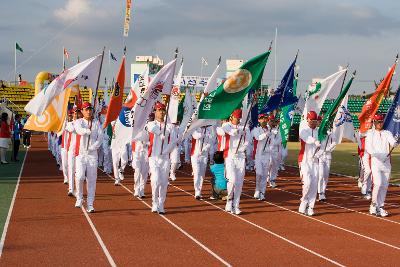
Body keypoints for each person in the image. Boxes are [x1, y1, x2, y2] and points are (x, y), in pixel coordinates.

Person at [365, 113, 398, 217]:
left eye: (381, 121)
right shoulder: (370, 133)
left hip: (387, 163)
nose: (380, 123)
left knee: (384, 186)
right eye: (378, 122)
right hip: (376, 162)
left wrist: (395, 143)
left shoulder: (387, 133)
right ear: (374, 122)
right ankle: (373, 205)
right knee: (378, 183)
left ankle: (380, 207)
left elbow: (392, 142)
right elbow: (368, 148)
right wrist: (379, 155)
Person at [73, 102, 104, 213]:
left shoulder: (96, 122)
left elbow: (100, 137)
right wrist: (87, 131)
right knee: (80, 176)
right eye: (86, 109)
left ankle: (90, 203)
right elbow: (79, 130)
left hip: (92, 155)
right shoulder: (78, 122)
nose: (89, 111)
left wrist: (93, 147)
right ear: (82, 111)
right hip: (81, 154)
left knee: (91, 180)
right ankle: (79, 198)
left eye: (90, 109)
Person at [220, 109, 250, 215]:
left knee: (239, 182)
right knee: (232, 180)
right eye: (237, 118)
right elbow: (228, 131)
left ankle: (236, 205)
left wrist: (243, 148)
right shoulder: (226, 125)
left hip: (241, 157)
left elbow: (248, 140)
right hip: (230, 156)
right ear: (232, 117)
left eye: (240, 118)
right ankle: (229, 201)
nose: (238, 120)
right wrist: (237, 131)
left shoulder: (245, 127)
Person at [146, 102, 174, 214]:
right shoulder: (151, 124)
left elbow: (172, 140)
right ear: (155, 112)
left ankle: (161, 204)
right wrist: (160, 133)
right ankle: (154, 203)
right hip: (153, 156)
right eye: (159, 110)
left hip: (165, 158)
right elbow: (152, 129)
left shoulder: (170, 125)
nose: (161, 112)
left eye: (163, 110)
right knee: (155, 179)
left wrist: (169, 149)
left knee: (163, 182)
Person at [298, 111, 320, 216]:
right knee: (307, 183)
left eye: (315, 121)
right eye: (311, 120)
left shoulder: (319, 131)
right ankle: (303, 202)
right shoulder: (303, 130)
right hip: (305, 161)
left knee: (314, 185)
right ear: (307, 120)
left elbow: (322, 146)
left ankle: (311, 206)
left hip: (315, 161)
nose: (313, 122)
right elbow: (306, 139)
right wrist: (315, 141)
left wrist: (319, 153)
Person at [251, 113, 270, 200]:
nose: (264, 120)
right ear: (259, 120)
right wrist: (266, 134)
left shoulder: (270, 129)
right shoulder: (256, 129)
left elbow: (272, 142)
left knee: (265, 175)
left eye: (265, 118)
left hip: (267, 155)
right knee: (259, 173)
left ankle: (262, 192)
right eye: (262, 119)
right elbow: (258, 138)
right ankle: (257, 189)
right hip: (258, 155)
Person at [191, 126, 212, 199]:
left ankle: (199, 191)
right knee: (197, 173)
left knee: (202, 174)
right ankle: (197, 191)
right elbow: (196, 136)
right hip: (195, 155)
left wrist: (204, 149)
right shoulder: (195, 128)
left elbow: (210, 142)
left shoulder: (209, 130)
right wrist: (203, 132)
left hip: (204, 155)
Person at [315, 129, 337, 201]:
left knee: (326, 175)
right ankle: (320, 193)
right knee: (320, 175)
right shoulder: (319, 130)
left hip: (328, 156)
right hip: (320, 155)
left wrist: (328, 148)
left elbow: (334, 142)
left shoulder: (331, 132)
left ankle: (323, 191)